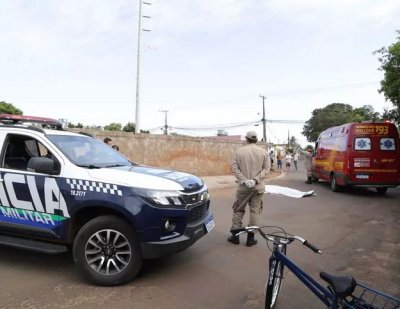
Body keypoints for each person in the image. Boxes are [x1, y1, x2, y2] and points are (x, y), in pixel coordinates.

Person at [228, 131, 270, 247]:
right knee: (255, 211)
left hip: (243, 188)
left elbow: (235, 169)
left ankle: (235, 236)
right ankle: (250, 238)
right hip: (258, 188)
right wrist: (255, 180)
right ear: (256, 140)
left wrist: (244, 181)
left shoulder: (239, 152)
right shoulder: (264, 152)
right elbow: (266, 169)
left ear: (246, 139)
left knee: (239, 210)